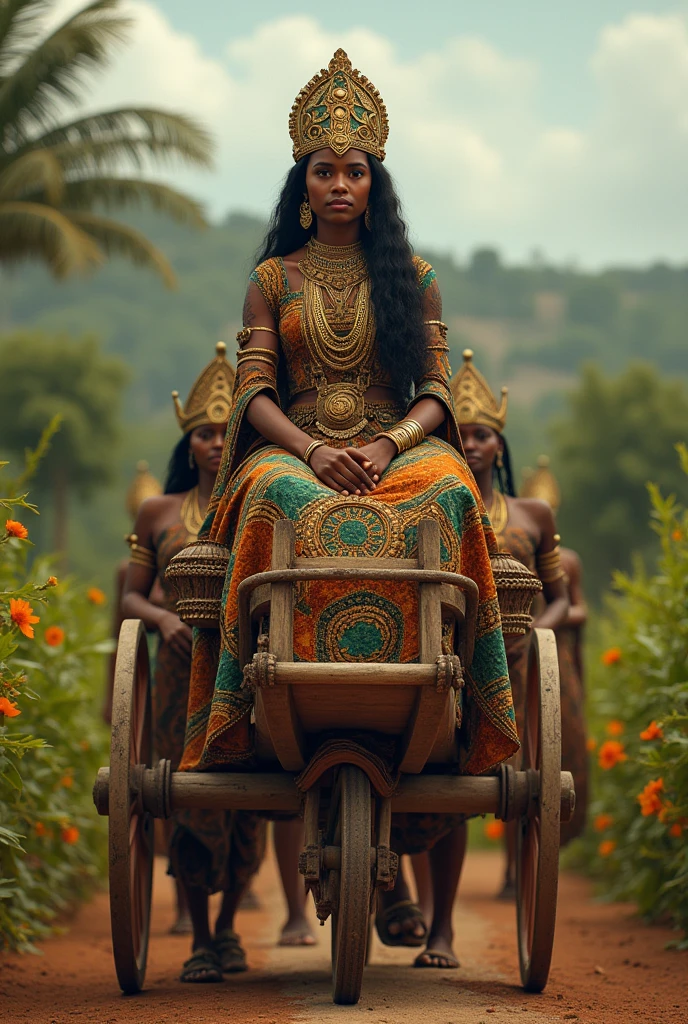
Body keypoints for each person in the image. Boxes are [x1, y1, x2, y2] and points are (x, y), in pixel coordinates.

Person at [179, 49, 519, 974]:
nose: (339, 182)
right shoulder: (273, 281)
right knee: (274, 497)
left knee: (453, 489)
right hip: (294, 453)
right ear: (304, 184)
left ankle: (447, 672)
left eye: (354, 169)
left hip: (397, 452)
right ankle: (259, 676)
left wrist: (385, 446)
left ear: (375, 183)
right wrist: (311, 449)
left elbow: (438, 392)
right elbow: (252, 391)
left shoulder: (416, 276)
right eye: (323, 169)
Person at [122, 344, 267, 983]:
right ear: (189, 441)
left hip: (242, 667)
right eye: (203, 433)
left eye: (222, 432)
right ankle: (199, 938)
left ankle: (231, 925)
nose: (214, 444)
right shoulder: (158, 512)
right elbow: (130, 591)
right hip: (179, 678)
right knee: (184, 799)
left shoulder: (259, 504)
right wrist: (161, 619)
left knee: (246, 797)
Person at [452, 350, 569, 898]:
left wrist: (532, 637)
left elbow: (562, 599)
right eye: (463, 435)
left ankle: (519, 872)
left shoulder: (532, 517)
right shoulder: (434, 508)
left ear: (500, 445)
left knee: (525, 768)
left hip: (519, 663)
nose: (473, 445)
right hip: (451, 659)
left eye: (483, 435)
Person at [521, 457, 589, 844]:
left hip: (553, 652)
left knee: (562, 735)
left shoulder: (568, 562)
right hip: (518, 646)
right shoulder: (519, 552)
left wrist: (549, 619)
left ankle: (561, 835)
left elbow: (578, 606)